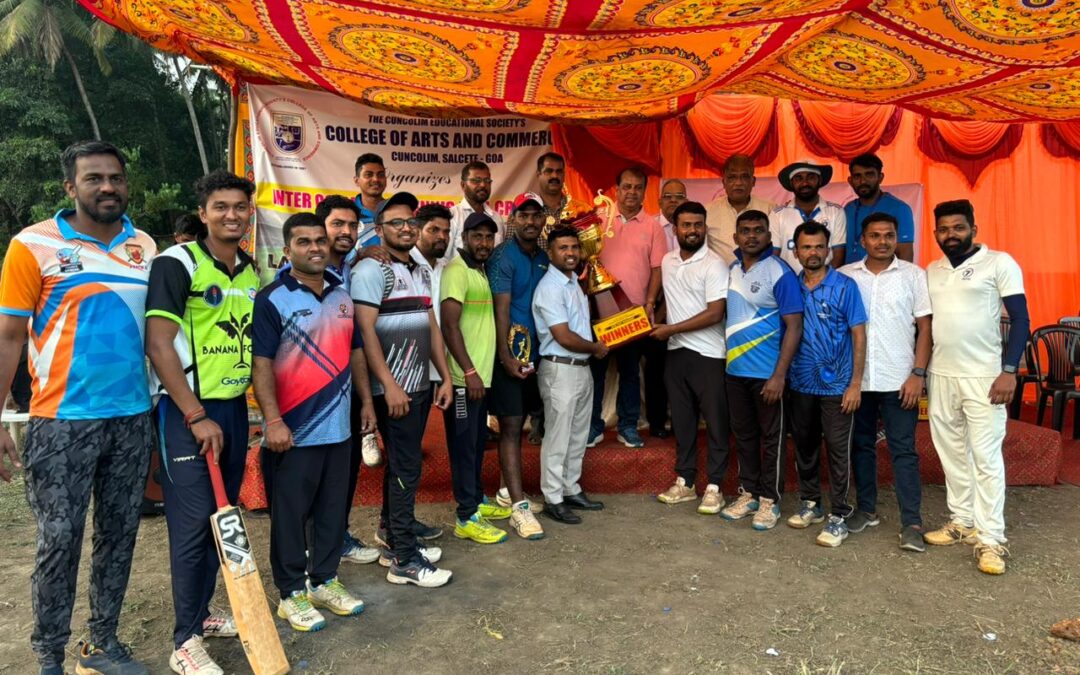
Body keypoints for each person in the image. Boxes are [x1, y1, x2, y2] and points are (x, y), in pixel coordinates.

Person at [0, 140, 156, 675]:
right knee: (59, 540)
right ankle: (49, 658)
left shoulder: (145, 247)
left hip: (133, 417)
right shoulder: (32, 245)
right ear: (71, 187)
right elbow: (8, 338)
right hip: (60, 421)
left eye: (115, 177)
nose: (107, 187)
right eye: (94, 178)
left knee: (119, 535)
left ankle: (101, 644)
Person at [145, 170, 259, 675]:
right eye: (221, 207)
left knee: (222, 518)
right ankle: (184, 642)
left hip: (233, 410)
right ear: (204, 211)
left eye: (239, 206)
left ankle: (204, 614)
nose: (231, 215)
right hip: (188, 412)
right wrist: (194, 413)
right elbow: (158, 343)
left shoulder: (251, 270)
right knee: (192, 526)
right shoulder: (179, 263)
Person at [252, 212, 372, 632]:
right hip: (294, 431)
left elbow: (355, 352)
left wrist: (366, 406)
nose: (315, 247)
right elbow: (261, 363)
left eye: (319, 240)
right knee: (289, 515)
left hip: (339, 427)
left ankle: (324, 580)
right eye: (303, 242)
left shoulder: (342, 295)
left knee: (331, 511)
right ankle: (290, 594)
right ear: (287, 251)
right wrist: (273, 420)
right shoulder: (271, 298)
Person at [351, 192, 455, 588]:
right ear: (379, 230)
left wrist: (443, 375)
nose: (406, 228)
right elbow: (364, 331)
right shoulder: (372, 271)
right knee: (405, 469)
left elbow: (431, 326)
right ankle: (405, 561)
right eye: (396, 223)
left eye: (410, 222)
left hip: (419, 384)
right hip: (392, 390)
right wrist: (389, 386)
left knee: (403, 468)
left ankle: (394, 540)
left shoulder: (420, 269)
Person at [923, 199, 1028, 575]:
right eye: (944, 229)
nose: (951, 235)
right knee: (950, 451)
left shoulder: (999, 262)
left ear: (973, 228)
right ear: (935, 233)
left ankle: (991, 539)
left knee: (985, 458)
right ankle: (963, 521)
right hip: (942, 375)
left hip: (985, 377)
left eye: (958, 227)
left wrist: (1009, 370)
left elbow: (1020, 320)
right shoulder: (931, 271)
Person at [839, 212, 931, 551]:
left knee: (903, 450)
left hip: (899, 380)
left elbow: (925, 329)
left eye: (888, 235)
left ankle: (912, 522)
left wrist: (918, 375)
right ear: (861, 241)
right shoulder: (845, 277)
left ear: (897, 238)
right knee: (860, 447)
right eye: (874, 236)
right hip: (857, 381)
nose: (882, 241)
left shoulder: (913, 276)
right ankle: (866, 510)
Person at [785, 221, 867, 548]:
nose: (813, 252)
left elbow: (859, 335)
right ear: (796, 251)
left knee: (837, 450)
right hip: (800, 383)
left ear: (828, 249)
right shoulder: (790, 286)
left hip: (837, 387)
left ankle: (840, 515)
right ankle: (811, 504)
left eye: (819, 246)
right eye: (806, 247)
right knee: (804, 445)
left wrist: (856, 383)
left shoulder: (845, 286)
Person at [720, 210, 803, 530]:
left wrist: (779, 375)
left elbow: (794, 326)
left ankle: (770, 499)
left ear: (770, 237)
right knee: (744, 436)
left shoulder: (779, 271)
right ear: (736, 237)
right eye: (745, 230)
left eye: (758, 230)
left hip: (768, 375)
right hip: (735, 372)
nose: (752, 236)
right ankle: (750, 492)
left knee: (772, 439)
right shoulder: (732, 270)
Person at [652, 202, 731, 514]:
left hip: (709, 354)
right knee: (683, 423)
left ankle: (714, 486)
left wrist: (671, 328)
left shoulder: (715, 264)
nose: (693, 230)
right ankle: (685, 482)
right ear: (675, 229)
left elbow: (715, 313)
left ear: (705, 227)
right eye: (686, 225)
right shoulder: (668, 260)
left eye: (698, 225)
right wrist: (649, 312)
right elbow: (668, 298)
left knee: (715, 422)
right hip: (676, 354)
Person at [439, 213, 513, 544]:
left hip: (480, 379)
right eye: (477, 237)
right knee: (464, 447)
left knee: (475, 443)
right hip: (462, 381)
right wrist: (468, 372)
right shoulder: (457, 271)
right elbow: (449, 326)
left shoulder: (478, 271)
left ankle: (477, 501)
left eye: (489, 237)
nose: (484, 243)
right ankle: (466, 516)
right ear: (465, 237)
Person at [533, 228, 608, 524]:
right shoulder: (549, 287)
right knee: (558, 436)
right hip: (560, 366)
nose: (571, 253)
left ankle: (570, 487)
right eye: (563, 247)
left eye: (575, 247)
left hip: (580, 367)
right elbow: (563, 336)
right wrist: (596, 348)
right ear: (550, 253)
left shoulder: (574, 282)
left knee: (577, 433)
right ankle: (552, 497)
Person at [589, 167, 668, 448]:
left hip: (633, 314)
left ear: (644, 191)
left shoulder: (653, 227)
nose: (632, 192)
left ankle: (627, 426)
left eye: (637, 187)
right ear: (616, 189)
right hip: (598, 313)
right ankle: (593, 426)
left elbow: (657, 269)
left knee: (630, 372)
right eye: (627, 187)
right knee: (595, 372)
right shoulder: (597, 220)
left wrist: (649, 303)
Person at [487, 193, 549, 539]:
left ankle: (505, 491)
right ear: (513, 220)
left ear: (542, 220)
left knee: (523, 422)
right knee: (510, 427)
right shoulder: (502, 256)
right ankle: (519, 508)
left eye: (535, 216)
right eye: (523, 215)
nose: (529, 221)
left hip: (538, 354)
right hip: (510, 357)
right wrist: (504, 357)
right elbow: (501, 310)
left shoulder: (543, 256)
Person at [770, 160, 847, 273]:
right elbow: (773, 258)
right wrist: (789, 283)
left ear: (819, 180)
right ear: (791, 183)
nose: (805, 183)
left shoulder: (836, 211)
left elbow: (838, 256)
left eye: (810, 177)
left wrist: (820, 282)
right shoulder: (777, 214)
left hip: (825, 285)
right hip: (790, 285)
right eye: (798, 178)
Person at [843, 153, 915, 263]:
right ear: (850, 181)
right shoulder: (848, 209)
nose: (863, 181)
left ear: (880, 178)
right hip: (848, 276)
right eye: (857, 176)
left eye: (869, 175)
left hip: (882, 277)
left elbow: (905, 253)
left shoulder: (899, 208)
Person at [705, 154, 775, 265]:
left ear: (753, 181)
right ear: (724, 182)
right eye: (732, 177)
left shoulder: (771, 210)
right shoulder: (707, 212)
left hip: (762, 279)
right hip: (719, 280)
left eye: (744, 177)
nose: (738, 183)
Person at [446, 161, 504, 262]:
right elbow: (443, 260)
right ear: (463, 185)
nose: (482, 185)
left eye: (487, 180)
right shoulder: (452, 216)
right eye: (476, 180)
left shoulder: (496, 218)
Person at [535, 152, 568, 251]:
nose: (554, 176)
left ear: (564, 175)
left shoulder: (578, 210)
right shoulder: (523, 213)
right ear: (538, 175)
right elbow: (512, 252)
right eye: (548, 171)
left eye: (559, 171)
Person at [353, 152, 387, 246]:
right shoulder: (349, 213)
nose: (376, 179)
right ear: (357, 181)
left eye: (380, 175)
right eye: (369, 175)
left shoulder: (394, 211)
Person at [658, 179, 688, 252]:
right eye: (667, 196)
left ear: (686, 202)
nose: (673, 200)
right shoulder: (650, 227)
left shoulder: (694, 228)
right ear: (660, 203)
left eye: (679, 197)